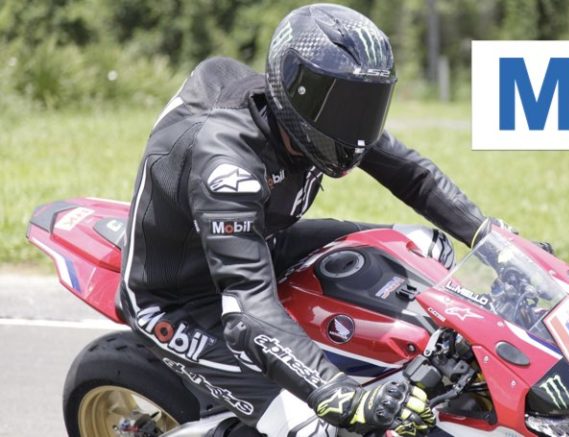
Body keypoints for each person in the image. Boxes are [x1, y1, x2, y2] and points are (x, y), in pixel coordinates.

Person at [118, 4, 541, 436]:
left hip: (264, 245)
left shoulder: (325, 119)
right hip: (182, 298)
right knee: (315, 428)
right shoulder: (228, 164)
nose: (359, 123)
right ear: (298, 93)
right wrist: (340, 395)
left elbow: (414, 176)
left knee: (425, 247)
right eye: (347, 106)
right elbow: (247, 306)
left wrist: (495, 240)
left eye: (368, 104)